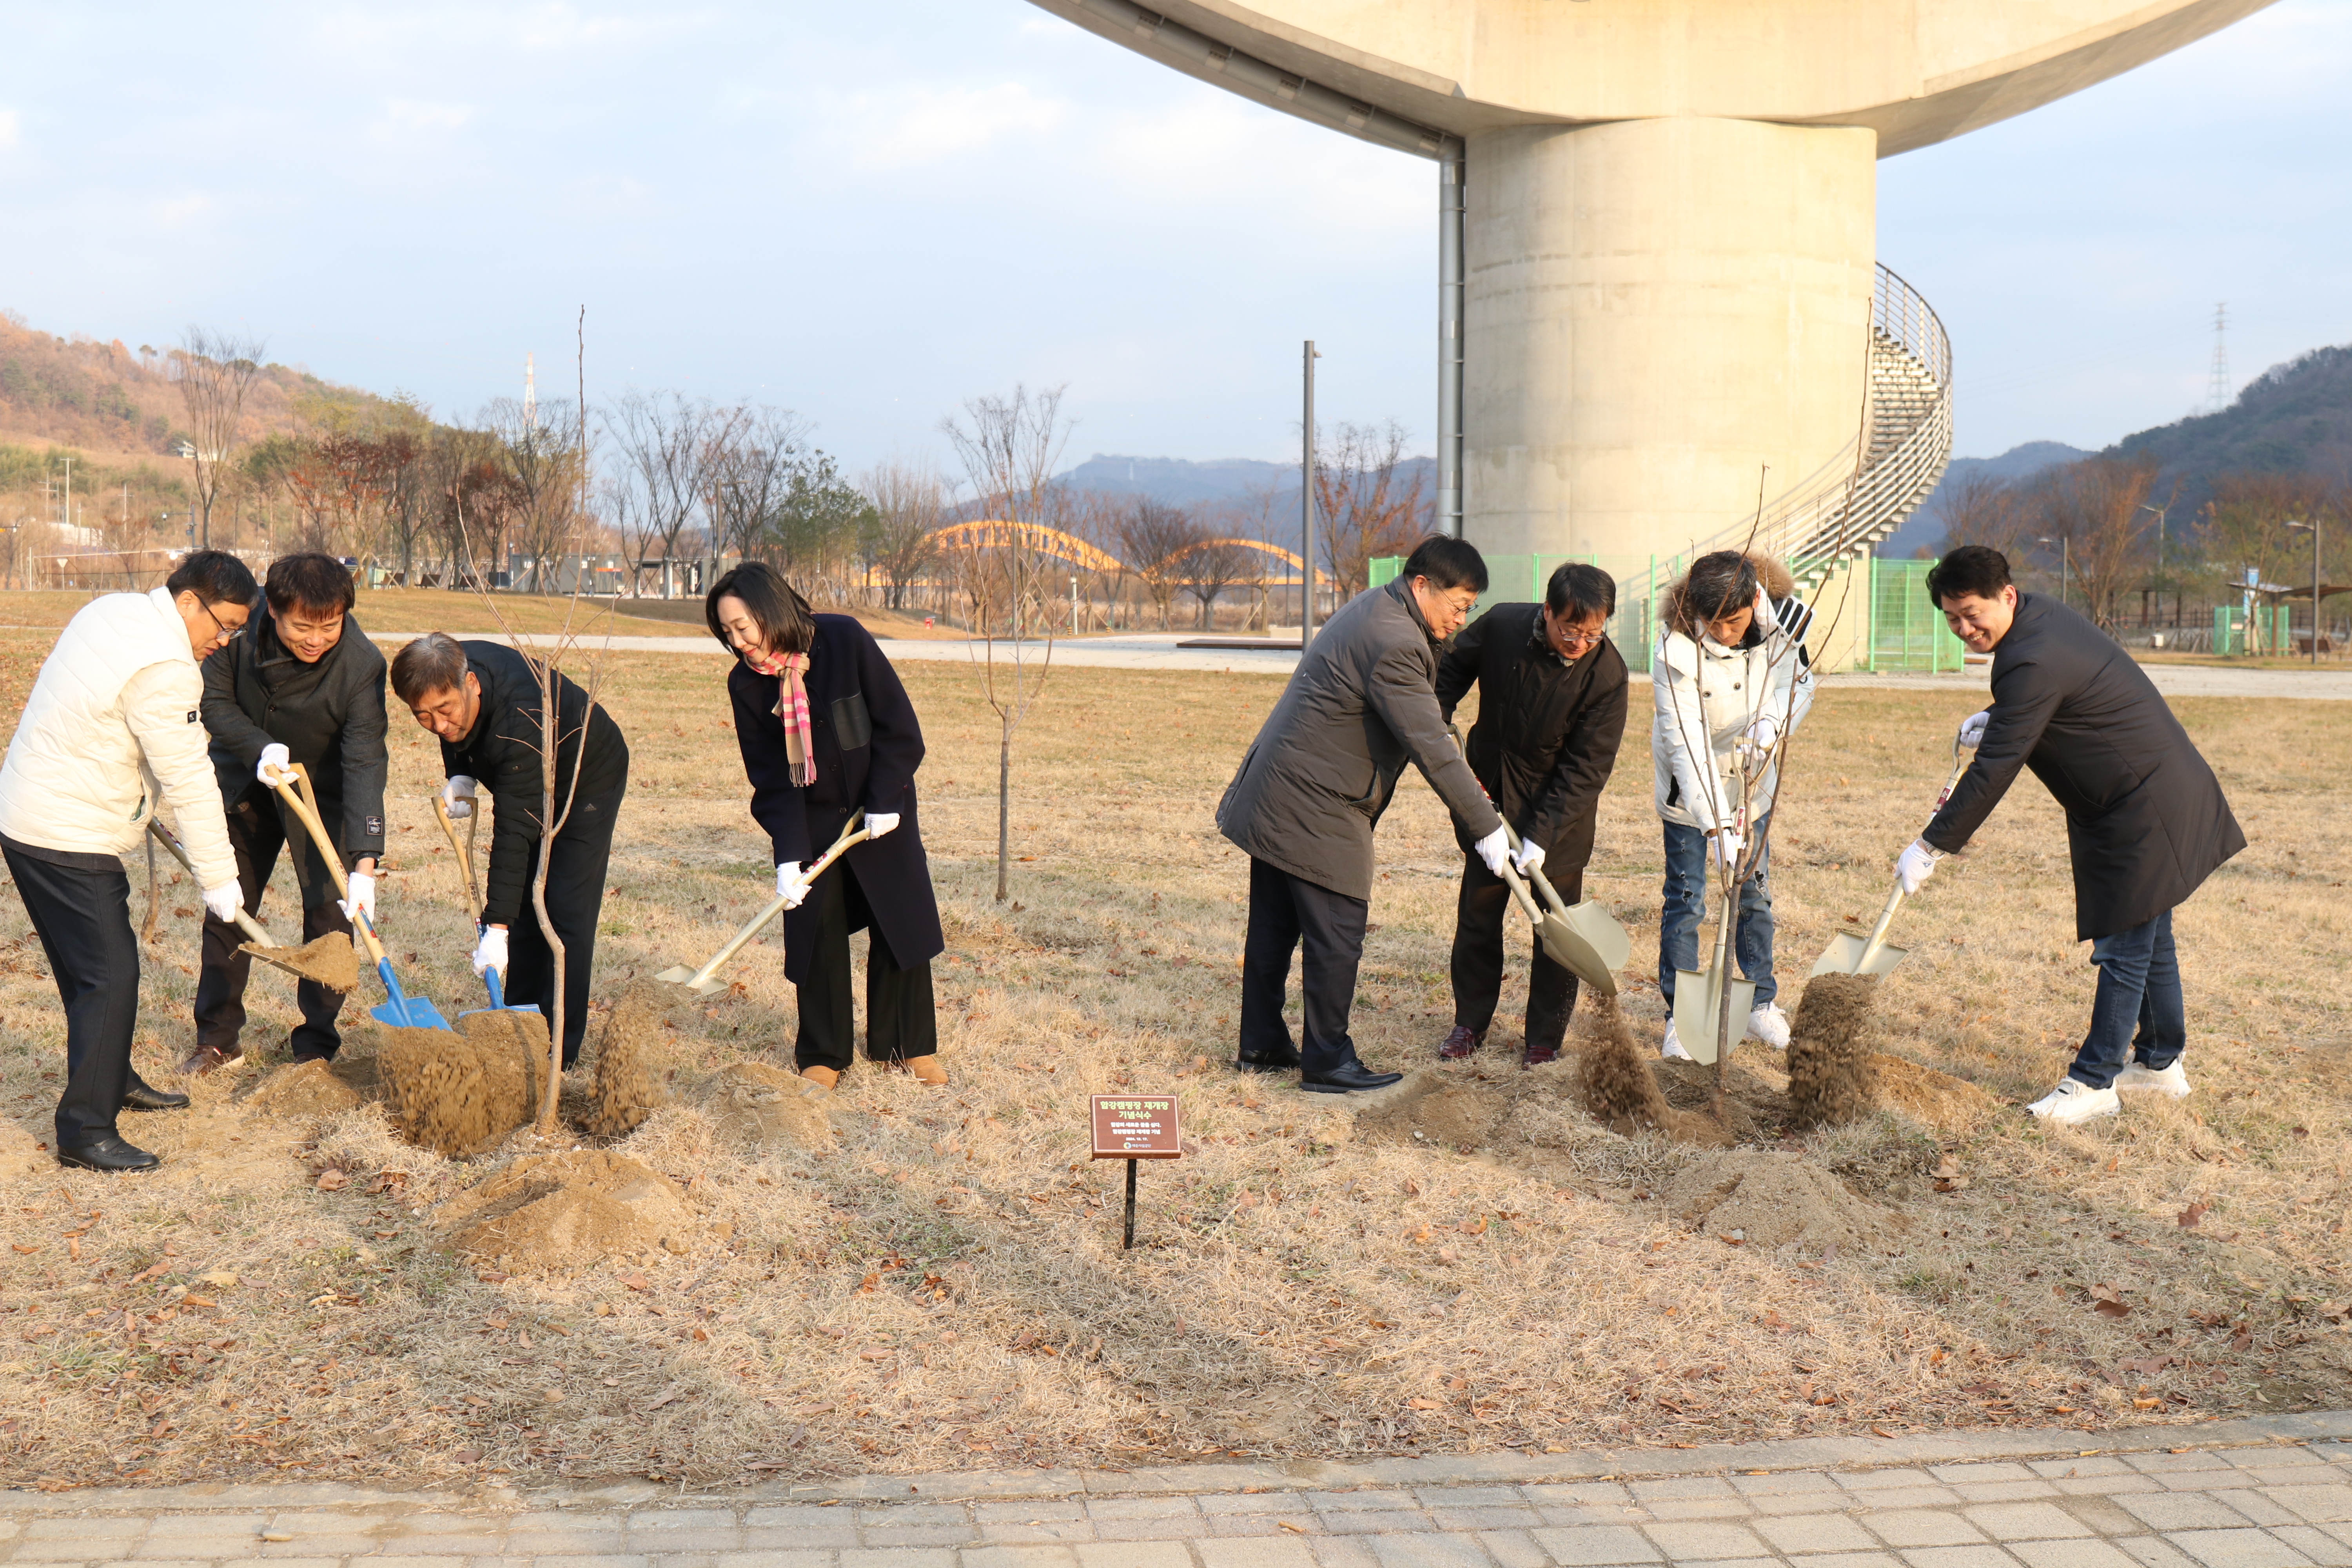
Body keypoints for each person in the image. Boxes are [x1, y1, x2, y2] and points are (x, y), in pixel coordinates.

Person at [1904, 545, 2243, 1125]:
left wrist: (1932, 844)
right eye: (1951, 618)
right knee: (2150, 936)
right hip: (2135, 796)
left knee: (2124, 943)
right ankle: (2161, 1064)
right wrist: (2002, 713)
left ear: (2006, 596)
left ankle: (2093, 1083)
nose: (1964, 629)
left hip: (2146, 805)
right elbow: (2046, 706)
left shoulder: (2032, 656)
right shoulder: (2036, 622)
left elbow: (1997, 768)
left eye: (1971, 613)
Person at [1217, 535, 1512, 1094]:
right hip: (1314, 800)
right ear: (1423, 587)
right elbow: (1427, 740)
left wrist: (1464, 768)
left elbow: (1426, 718)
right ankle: (1328, 1059)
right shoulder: (1396, 639)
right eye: (1458, 605)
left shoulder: (1382, 607)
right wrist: (1487, 827)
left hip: (1283, 785)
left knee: (1276, 925)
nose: (1460, 619)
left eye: (1469, 608)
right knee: (1339, 926)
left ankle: (1261, 1044)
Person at [0, 551, 254, 1171]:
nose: (223, 642)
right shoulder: (167, 666)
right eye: (221, 625)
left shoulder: (114, 610)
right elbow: (191, 776)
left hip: (26, 812)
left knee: (88, 975)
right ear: (189, 601)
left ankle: (110, 1078)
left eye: (236, 632)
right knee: (111, 977)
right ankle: (86, 1130)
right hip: (68, 833)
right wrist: (221, 878)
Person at [707, 563, 946, 1087]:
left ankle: (907, 1044)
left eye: (743, 625)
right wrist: (789, 856)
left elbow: (899, 728)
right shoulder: (747, 684)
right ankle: (824, 1052)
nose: (738, 641)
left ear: (770, 609)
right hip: (812, 818)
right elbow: (771, 778)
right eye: (727, 632)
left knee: (897, 922)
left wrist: (886, 799)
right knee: (815, 931)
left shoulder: (843, 639)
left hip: (879, 807)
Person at [185, 554, 388, 1075]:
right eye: (302, 626)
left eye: (330, 625)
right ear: (271, 610)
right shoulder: (239, 631)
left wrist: (365, 860)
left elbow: (365, 755)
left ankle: (316, 1047)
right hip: (249, 777)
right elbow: (213, 700)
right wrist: (260, 747)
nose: (316, 639)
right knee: (231, 906)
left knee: (329, 919)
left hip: (322, 791)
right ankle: (217, 1039)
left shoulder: (361, 664)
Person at [388, 632, 629, 1068]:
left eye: (446, 711)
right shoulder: (442, 666)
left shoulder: (522, 718)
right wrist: (460, 772)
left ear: (473, 684)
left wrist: (494, 929)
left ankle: (559, 1050)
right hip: (528, 772)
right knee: (520, 907)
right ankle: (518, 1025)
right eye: (423, 717)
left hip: (585, 776)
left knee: (564, 913)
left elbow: (514, 833)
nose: (439, 726)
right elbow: (452, 726)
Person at [1434, 562, 1630, 1067]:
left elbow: (1588, 767)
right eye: (1571, 629)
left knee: (1557, 933)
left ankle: (1544, 1038)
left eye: (1594, 632)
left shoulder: (1607, 673)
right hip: (1490, 802)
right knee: (1478, 918)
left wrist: (1542, 834)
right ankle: (1469, 1023)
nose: (1582, 642)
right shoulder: (1501, 627)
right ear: (1548, 612)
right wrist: (1435, 714)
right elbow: (1450, 667)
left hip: (1559, 818)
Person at [1651, 550, 1815, 1060]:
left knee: (1755, 895)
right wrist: (1717, 827)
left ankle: (1759, 1004)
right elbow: (1686, 744)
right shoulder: (1673, 650)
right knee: (1688, 901)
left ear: (1755, 602)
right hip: (1690, 791)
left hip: (1753, 781)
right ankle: (1684, 1018)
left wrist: (1773, 722)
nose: (1724, 633)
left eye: (1735, 621)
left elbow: (1798, 683)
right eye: (1713, 623)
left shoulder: (1784, 624)